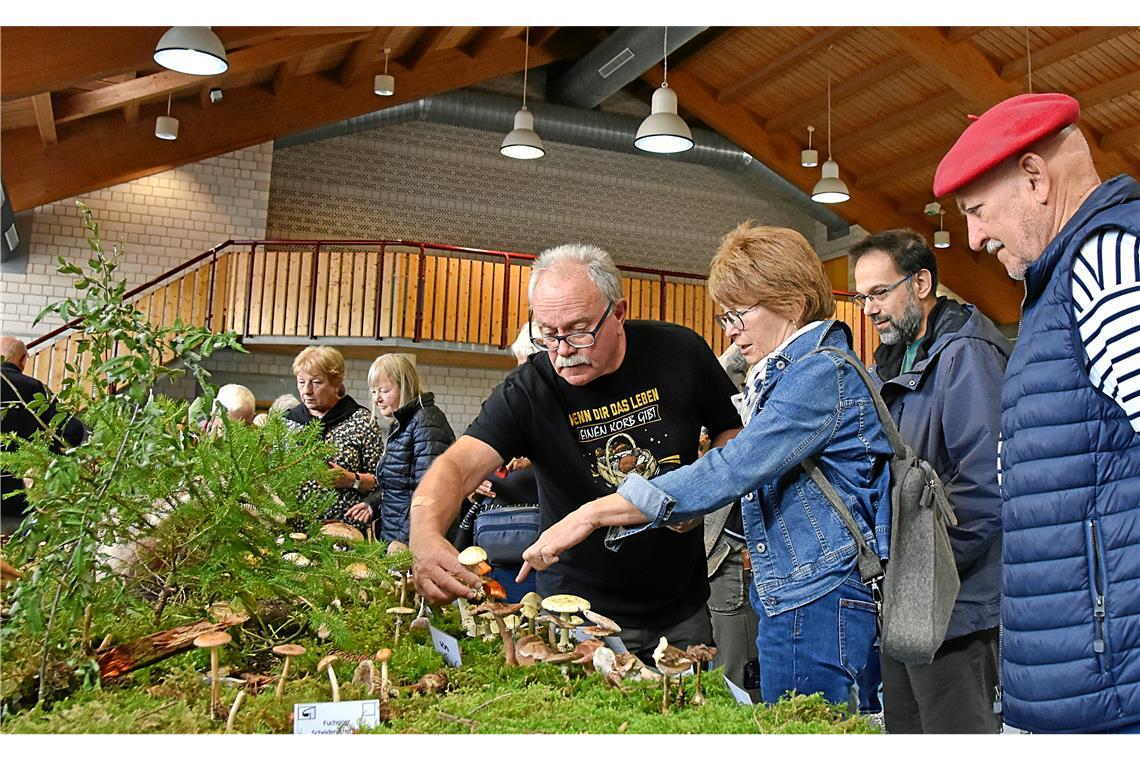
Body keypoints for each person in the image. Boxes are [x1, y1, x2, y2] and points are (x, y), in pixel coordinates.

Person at [520, 224, 895, 709]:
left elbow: (731, 468)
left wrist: (590, 514)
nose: (733, 330)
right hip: (794, 590)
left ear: (793, 303)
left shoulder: (821, 374)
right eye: (725, 317)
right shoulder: (792, 372)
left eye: (739, 314)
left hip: (816, 595)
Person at [409, 243, 742, 662]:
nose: (563, 350)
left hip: (679, 606)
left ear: (618, 313)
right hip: (575, 612)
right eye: (548, 334)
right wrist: (423, 534)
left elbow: (732, 427)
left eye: (579, 329)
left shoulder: (680, 352)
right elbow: (457, 465)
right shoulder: (529, 390)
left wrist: (702, 495)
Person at [934, 92, 1140, 733]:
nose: (971, 237)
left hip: (1110, 689)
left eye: (976, 212)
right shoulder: (1057, 284)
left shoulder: (1107, 262)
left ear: (1034, 177)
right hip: (1073, 675)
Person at [850, 229, 1009, 733]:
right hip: (901, 602)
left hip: (952, 608)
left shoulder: (967, 356)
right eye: (862, 297)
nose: (869, 309)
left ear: (921, 282)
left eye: (879, 293)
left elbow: (987, 484)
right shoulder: (889, 365)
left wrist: (922, 569)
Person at [347, 354, 454, 553]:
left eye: (384, 391)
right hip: (396, 537)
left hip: (412, 542)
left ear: (406, 385)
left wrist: (407, 544)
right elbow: (400, 487)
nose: (377, 399)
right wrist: (373, 504)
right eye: (373, 392)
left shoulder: (426, 421)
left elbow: (429, 493)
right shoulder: (402, 424)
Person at [703, 345, 762, 702]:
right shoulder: (745, 393)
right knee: (737, 680)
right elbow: (722, 369)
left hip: (743, 557)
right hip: (732, 556)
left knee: (742, 682)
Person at [285, 346, 383, 531]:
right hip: (293, 532)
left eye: (316, 382)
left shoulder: (362, 421)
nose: (306, 391)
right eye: (301, 382)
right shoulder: (287, 423)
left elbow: (382, 481)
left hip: (344, 534)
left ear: (336, 383)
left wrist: (351, 480)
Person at [1, 336, 86, 536]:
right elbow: (72, 430)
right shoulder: (33, 389)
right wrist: (48, 456)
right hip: (22, 497)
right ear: (22, 360)